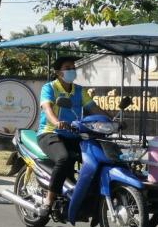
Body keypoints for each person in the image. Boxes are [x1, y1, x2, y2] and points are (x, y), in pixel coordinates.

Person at [37, 56, 115, 217]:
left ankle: (85, 197)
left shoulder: (79, 90)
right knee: (64, 158)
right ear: (58, 72)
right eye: (68, 68)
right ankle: (49, 200)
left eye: (73, 68)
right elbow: (47, 109)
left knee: (97, 158)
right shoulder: (49, 88)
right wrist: (57, 122)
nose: (72, 71)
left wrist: (112, 122)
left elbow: (94, 108)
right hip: (50, 133)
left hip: (73, 134)